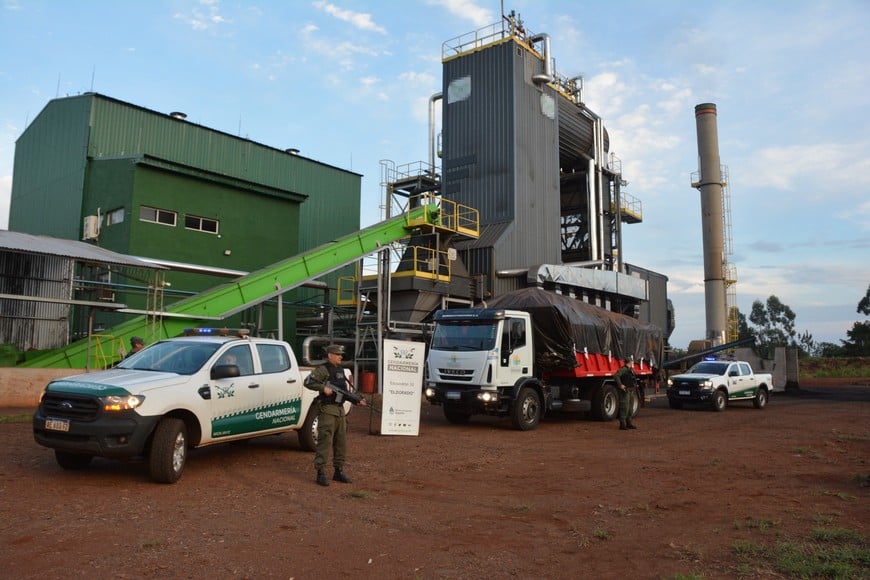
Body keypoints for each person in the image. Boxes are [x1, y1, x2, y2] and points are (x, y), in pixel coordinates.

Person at [304, 344, 367, 486]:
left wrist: (357, 401)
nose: (341, 356)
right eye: (338, 354)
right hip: (327, 410)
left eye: (341, 354)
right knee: (325, 441)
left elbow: (344, 392)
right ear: (330, 355)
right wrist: (323, 388)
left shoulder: (339, 370)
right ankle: (320, 472)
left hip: (339, 411)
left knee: (341, 443)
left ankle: (338, 471)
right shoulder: (323, 369)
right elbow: (308, 382)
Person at [614, 358, 638, 430]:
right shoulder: (624, 369)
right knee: (625, 407)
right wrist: (620, 385)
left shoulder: (631, 370)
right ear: (630, 362)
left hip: (631, 390)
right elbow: (616, 376)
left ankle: (629, 423)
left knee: (630, 408)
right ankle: (622, 424)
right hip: (626, 390)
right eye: (632, 361)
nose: (633, 363)